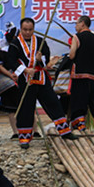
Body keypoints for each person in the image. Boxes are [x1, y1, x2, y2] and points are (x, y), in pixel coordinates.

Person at [7, 17, 73, 148]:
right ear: (21, 29)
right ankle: (24, 138)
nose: (27, 32)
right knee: (26, 107)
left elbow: (46, 56)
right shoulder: (15, 44)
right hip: (26, 79)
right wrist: (25, 69)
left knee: (53, 101)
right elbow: (11, 61)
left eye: (30, 30)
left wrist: (40, 58)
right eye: (25, 29)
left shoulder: (40, 41)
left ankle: (64, 130)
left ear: (33, 29)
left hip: (41, 77)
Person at [68, 15, 94, 132]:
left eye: (77, 23)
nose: (76, 26)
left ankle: (79, 125)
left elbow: (72, 55)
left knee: (79, 100)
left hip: (79, 75)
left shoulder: (76, 37)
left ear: (82, 24)